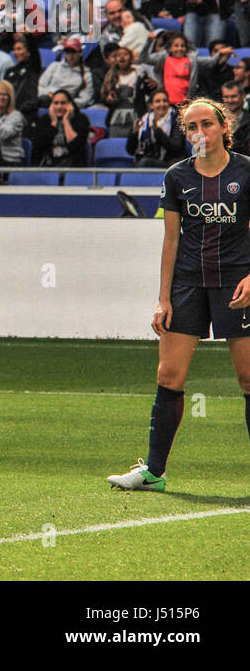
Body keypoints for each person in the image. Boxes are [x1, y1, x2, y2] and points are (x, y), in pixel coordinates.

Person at [107, 99, 250, 493]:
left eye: (207, 124)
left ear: (224, 126)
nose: (199, 132)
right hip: (187, 284)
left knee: (248, 378)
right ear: (185, 133)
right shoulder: (176, 176)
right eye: (191, 127)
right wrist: (163, 298)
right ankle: (154, 472)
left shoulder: (246, 172)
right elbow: (171, 240)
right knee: (168, 376)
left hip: (237, 282)